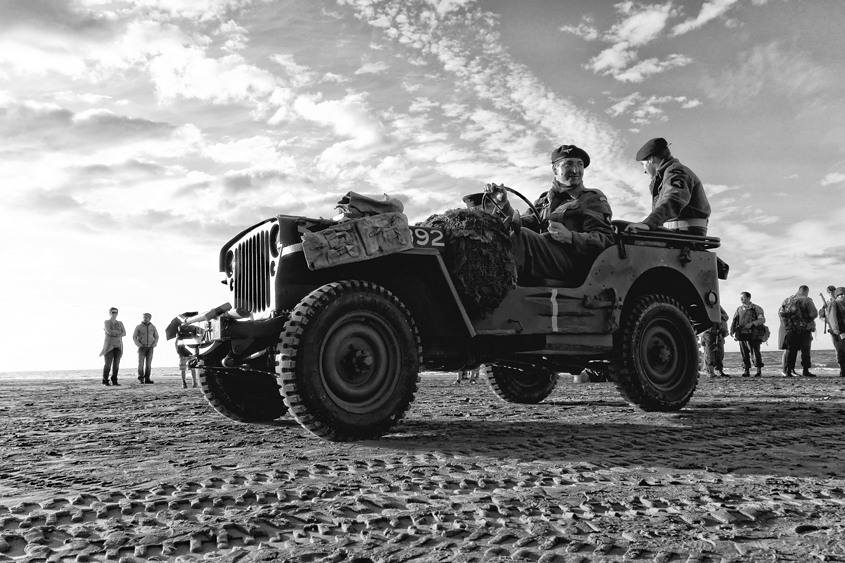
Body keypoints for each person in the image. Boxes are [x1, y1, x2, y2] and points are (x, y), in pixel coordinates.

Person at [484, 144, 614, 285]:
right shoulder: (545, 200)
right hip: (545, 259)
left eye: (580, 165)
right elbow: (523, 223)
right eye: (568, 164)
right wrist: (504, 205)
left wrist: (571, 237)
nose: (575, 170)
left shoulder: (591, 198)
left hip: (573, 264)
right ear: (554, 169)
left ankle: (496, 288)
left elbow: (605, 239)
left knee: (522, 237)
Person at [625, 137, 711, 236]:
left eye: (642, 164)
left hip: (684, 234)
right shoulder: (666, 175)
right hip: (676, 233)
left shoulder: (676, 172)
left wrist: (649, 223)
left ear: (650, 159)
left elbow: (673, 199)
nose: (644, 170)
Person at [778, 285, 818, 377]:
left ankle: (788, 370)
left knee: (791, 350)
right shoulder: (807, 300)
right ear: (806, 291)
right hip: (804, 328)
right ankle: (805, 370)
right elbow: (814, 314)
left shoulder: (787, 300)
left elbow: (781, 313)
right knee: (805, 350)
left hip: (790, 328)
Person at [730, 292, 766, 377]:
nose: (742, 300)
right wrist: (732, 331)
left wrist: (752, 324)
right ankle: (746, 370)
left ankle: (758, 370)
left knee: (755, 352)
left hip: (753, 334)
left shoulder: (756, 308)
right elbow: (734, 320)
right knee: (744, 353)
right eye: (741, 298)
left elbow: (762, 320)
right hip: (742, 334)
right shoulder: (739, 309)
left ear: (749, 298)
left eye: (743, 298)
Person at [701, 307, 730, 377]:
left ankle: (719, 370)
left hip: (718, 332)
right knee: (709, 353)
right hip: (708, 332)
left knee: (720, 353)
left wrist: (719, 317)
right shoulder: (702, 306)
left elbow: (726, 316)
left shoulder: (717, 307)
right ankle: (710, 372)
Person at [100, 307, 126, 386]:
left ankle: (114, 380)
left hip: (118, 346)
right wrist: (118, 333)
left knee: (116, 365)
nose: (114, 314)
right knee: (108, 364)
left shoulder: (120, 323)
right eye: (113, 312)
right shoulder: (107, 322)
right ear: (110, 313)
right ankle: (105, 380)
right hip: (109, 346)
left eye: (116, 312)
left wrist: (117, 333)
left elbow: (124, 333)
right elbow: (109, 331)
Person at [824, 287, 845, 377]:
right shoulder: (833, 304)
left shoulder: (842, 304)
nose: (843, 296)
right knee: (841, 351)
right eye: (841, 295)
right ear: (838, 296)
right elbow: (832, 318)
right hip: (839, 331)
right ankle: (843, 371)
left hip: (843, 330)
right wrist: (837, 331)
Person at [133, 313, 159, 384]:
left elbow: (156, 336)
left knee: (148, 364)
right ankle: (141, 378)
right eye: (144, 317)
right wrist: (138, 344)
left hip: (150, 348)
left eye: (146, 317)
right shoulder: (138, 327)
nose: (145, 318)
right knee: (140, 364)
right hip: (142, 347)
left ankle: (147, 379)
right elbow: (134, 336)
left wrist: (154, 344)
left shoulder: (153, 327)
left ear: (150, 318)